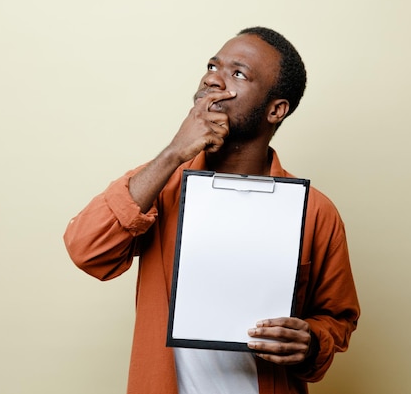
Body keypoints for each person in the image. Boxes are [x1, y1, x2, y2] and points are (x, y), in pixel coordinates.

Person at [64, 26, 360, 394]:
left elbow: (336, 317)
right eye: (212, 65)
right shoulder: (160, 184)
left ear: (276, 109)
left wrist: (311, 341)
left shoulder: (314, 211)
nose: (212, 79)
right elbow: (86, 249)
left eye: (238, 73)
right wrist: (175, 152)